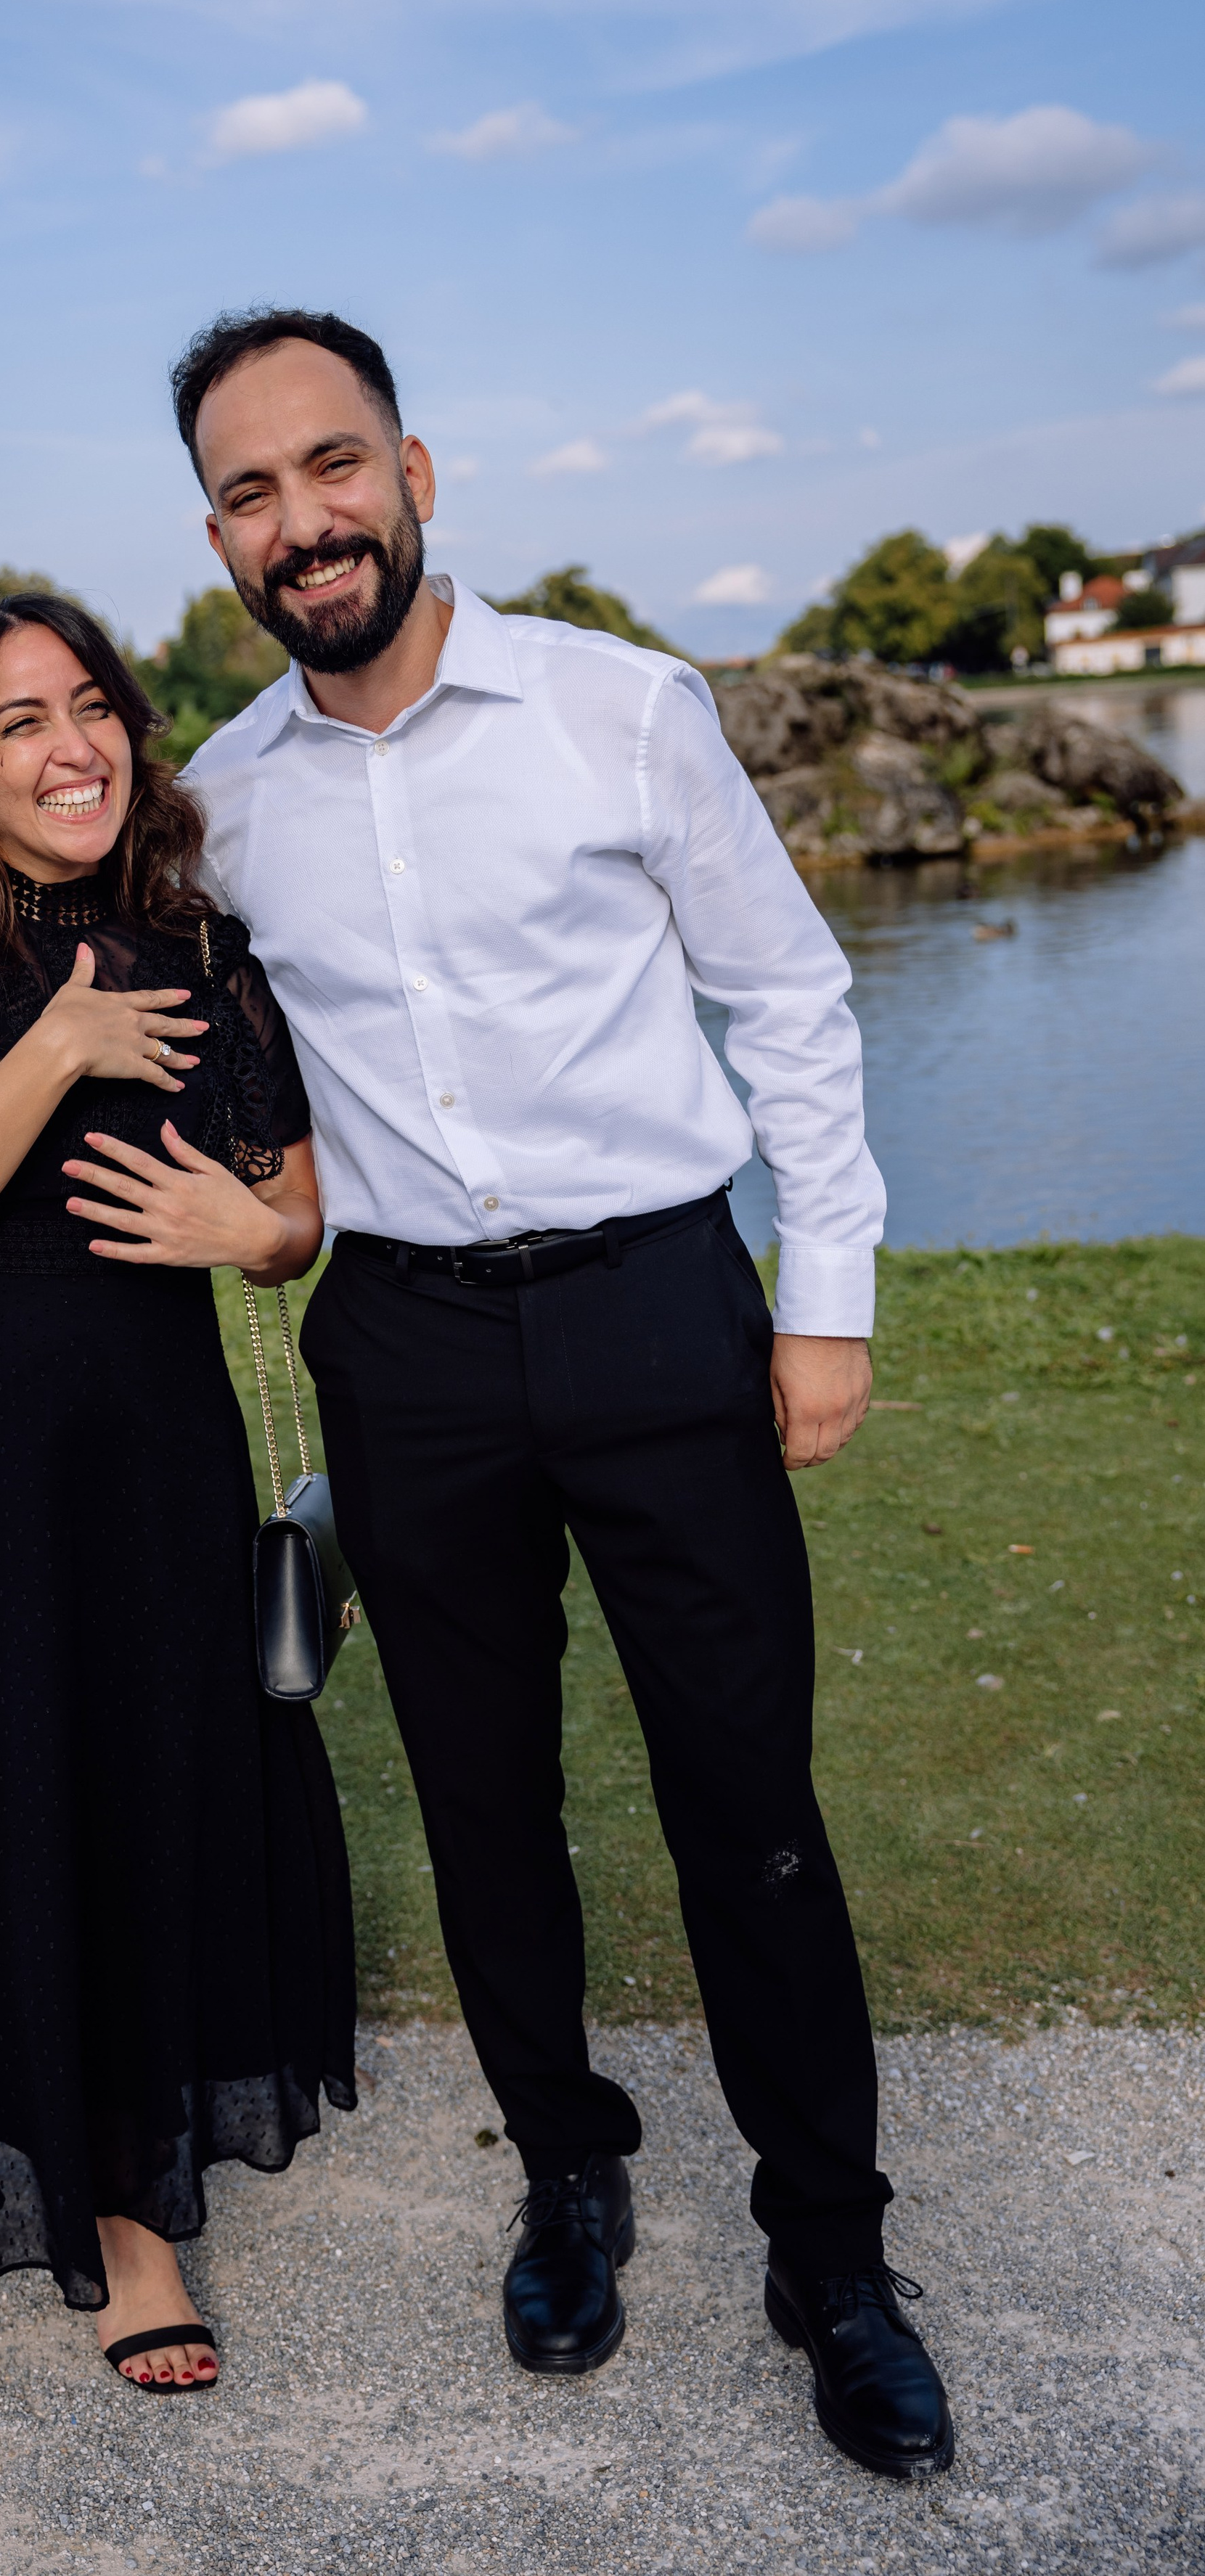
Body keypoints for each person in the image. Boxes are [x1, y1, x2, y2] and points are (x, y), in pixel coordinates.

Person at [170, 306, 954, 2479]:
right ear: (218, 532)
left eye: (336, 466)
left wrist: (828, 1294)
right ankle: (569, 2169)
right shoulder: (222, 808)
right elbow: (223, 1099)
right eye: (252, 488)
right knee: (486, 1799)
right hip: (408, 1347)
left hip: (653, 1311)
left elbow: (789, 1000)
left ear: (419, 473)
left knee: (752, 1810)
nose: (304, 519)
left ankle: (835, 2249)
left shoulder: (623, 709)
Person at [0, 590, 356, 2395]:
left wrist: (252, 1231)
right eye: (23, 719)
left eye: (93, 705)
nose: (72, 744)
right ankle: (82, 2204)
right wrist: (55, 1046)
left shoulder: (198, 941)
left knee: (133, 1795)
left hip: (147, 1455)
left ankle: (124, 2192)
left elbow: (294, 1203)